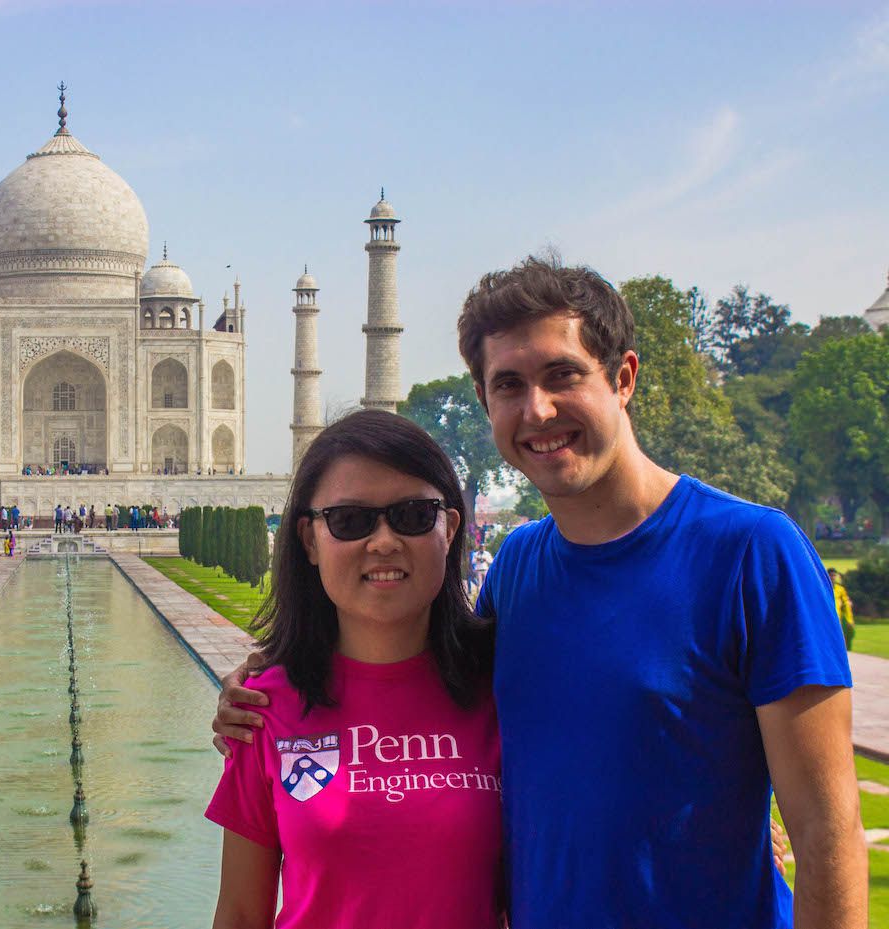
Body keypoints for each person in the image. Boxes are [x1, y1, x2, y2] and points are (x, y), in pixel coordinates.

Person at [216, 256, 864, 928]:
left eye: (563, 376)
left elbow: (828, 833)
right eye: (510, 385)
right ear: (487, 402)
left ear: (623, 378)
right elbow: (423, 677)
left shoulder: (751, 553)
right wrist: (268, 678)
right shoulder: (521, 567)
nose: (538, 409)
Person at [206, 411, 499, 928]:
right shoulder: (263, 707)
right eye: (349, 520)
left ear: (450, 528)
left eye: (412, 514)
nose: (383, 541)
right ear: (310, 540)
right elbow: (241, 912)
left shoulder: (501, 690)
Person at [829, 567, 854, 651]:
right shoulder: (822, 588)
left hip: (837, 617)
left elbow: (847, 605)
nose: (833, 577)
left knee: (839, 638)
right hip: (826, 616)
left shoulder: (840, 589)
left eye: (834, 575)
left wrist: (849, 620)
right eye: (831, 575)